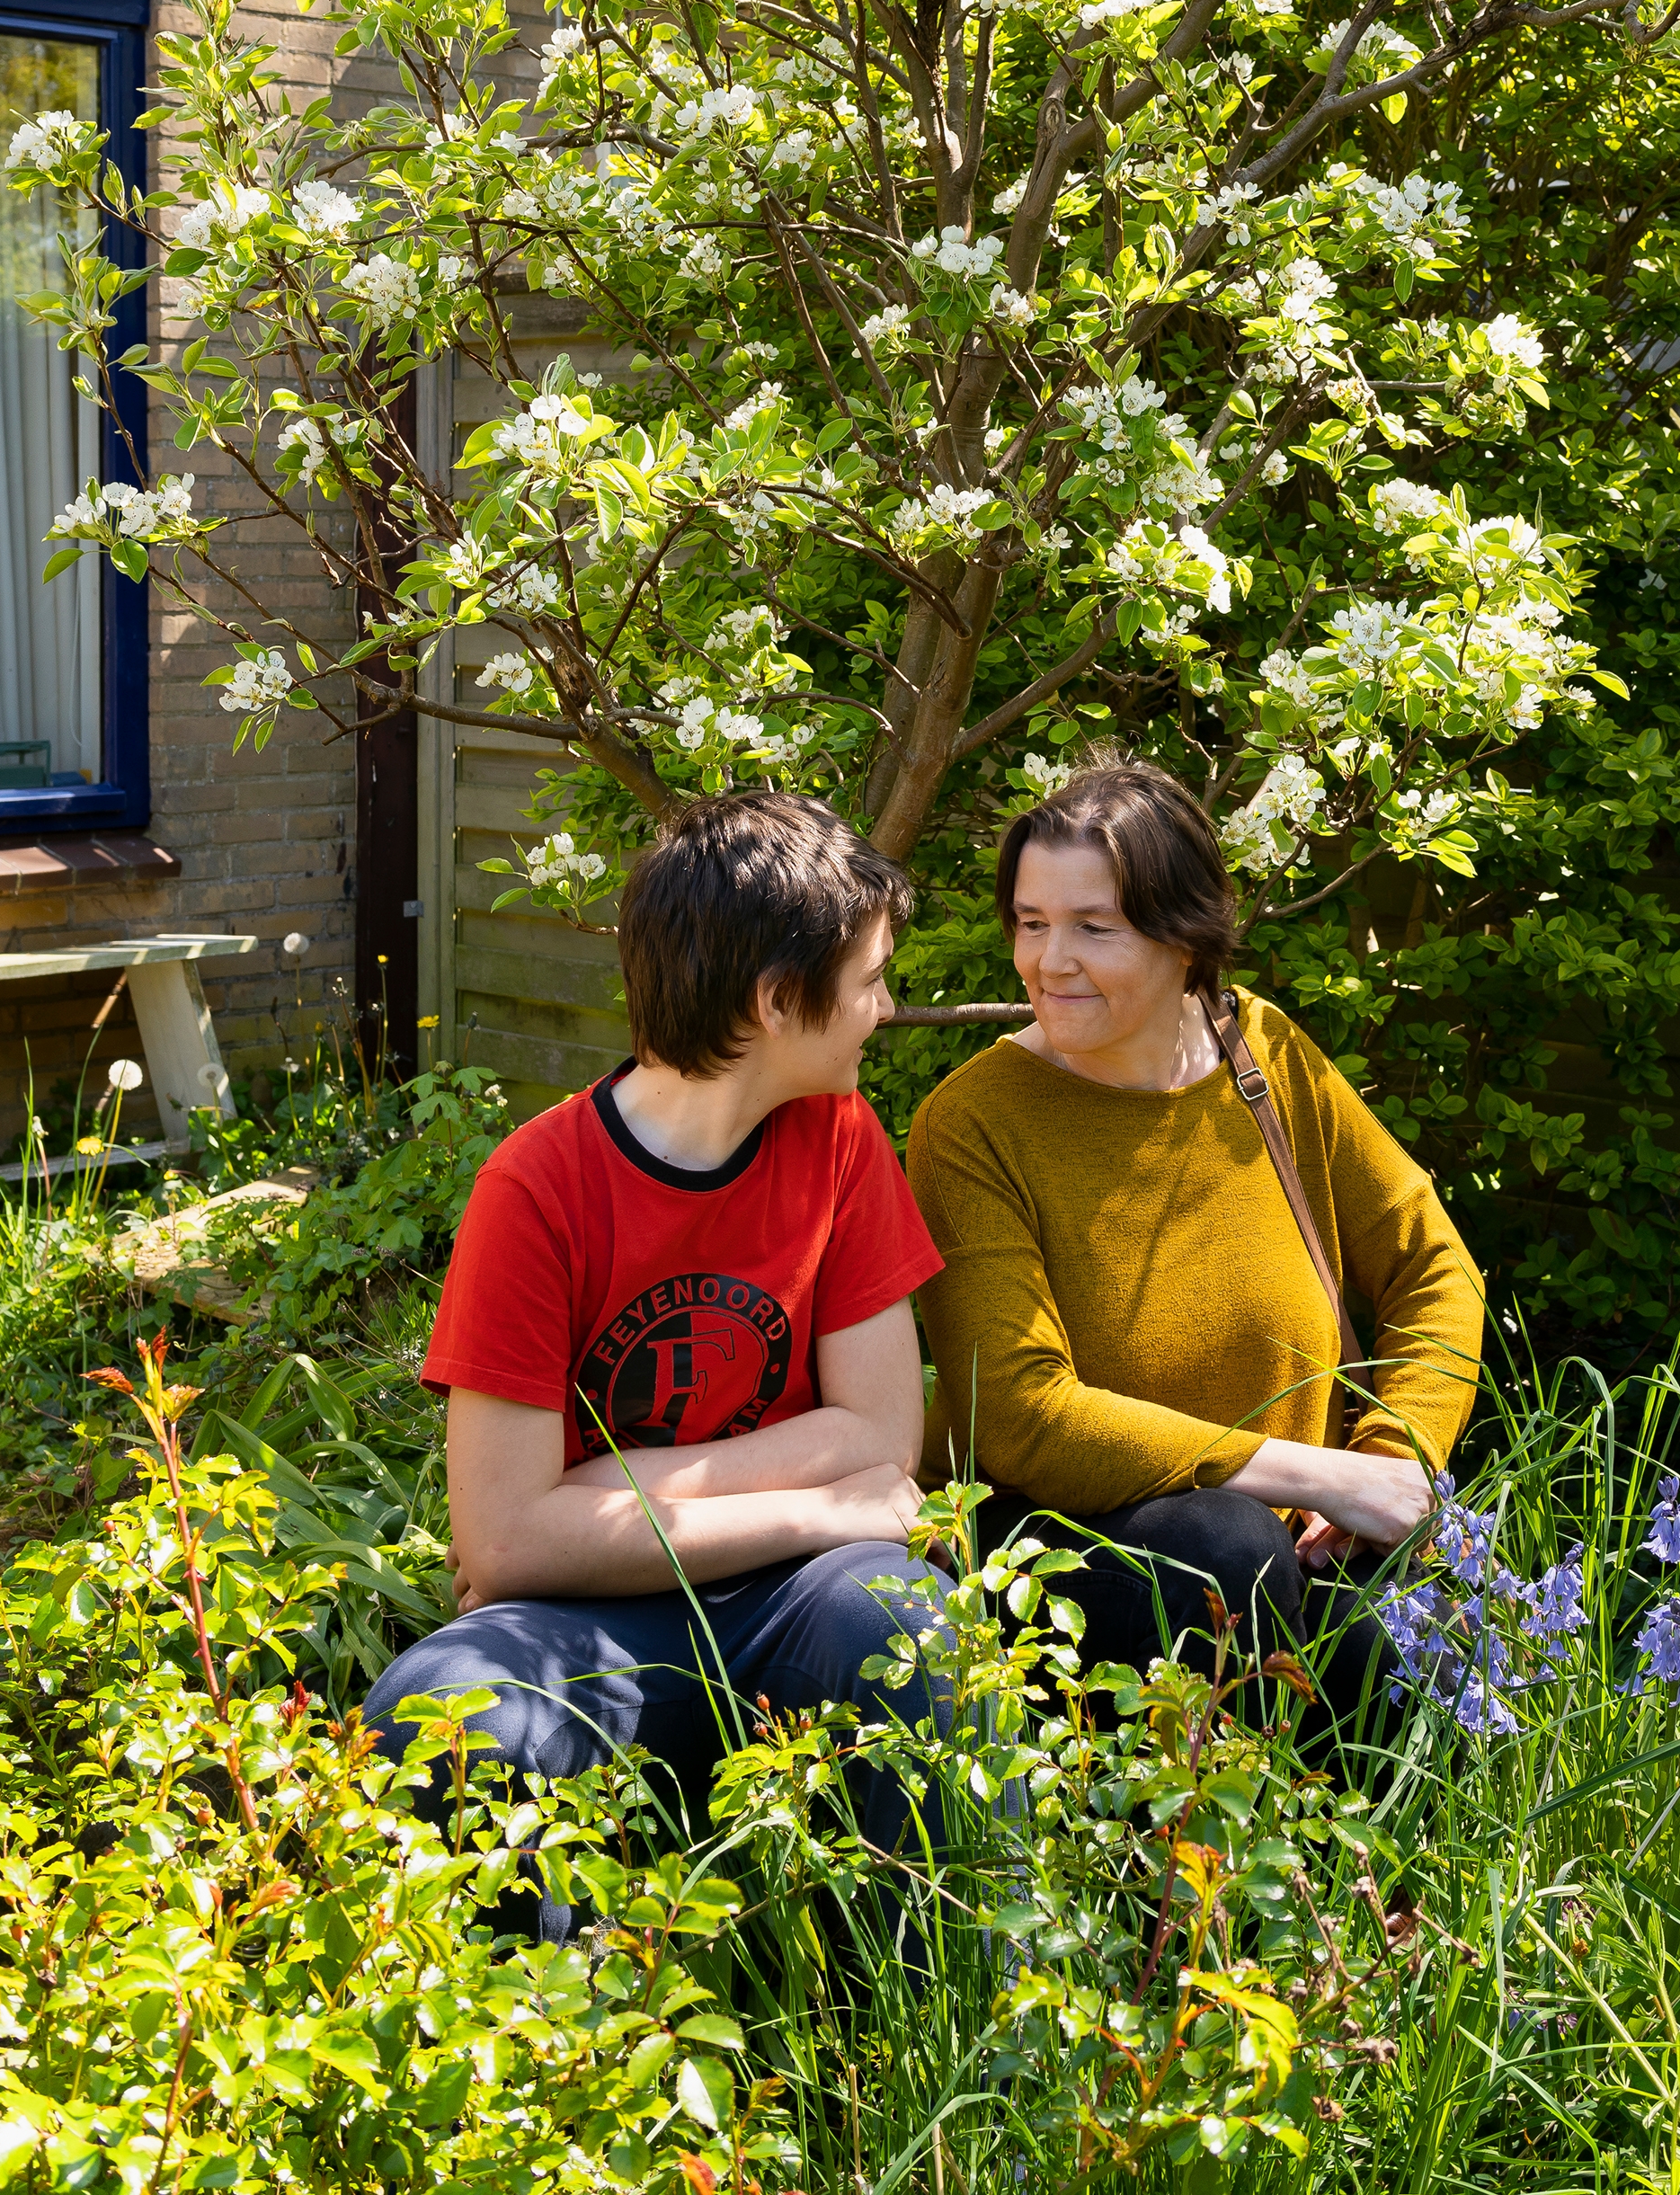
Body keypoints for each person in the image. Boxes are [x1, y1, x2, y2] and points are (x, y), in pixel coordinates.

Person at [366, 790, 949, 1855]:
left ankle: (945, 2001)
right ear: (778, 1000)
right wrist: (820, 1510)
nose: (886, 1008)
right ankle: (555, 2023)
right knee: (438, 1717)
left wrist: (600, 1494)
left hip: (804, 1601)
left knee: (901, 1621)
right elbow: (503, 1547)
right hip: (599, 1620)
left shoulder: (840, 1140)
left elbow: (881, 1439)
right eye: (869, 981)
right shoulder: (536, 1190)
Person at [906, 761, 1484, 1728]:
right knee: (1221, 1546)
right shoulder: (972, 1123)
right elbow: (1020, 1413)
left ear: (1185, 937)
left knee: (1405, 1648)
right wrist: (1318, 1473)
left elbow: (1436, 1268)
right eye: (1031, 922)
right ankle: (1179, 1875)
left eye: (1094, 928)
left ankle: (1370, 1883)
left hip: (1293, 1542)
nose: (1048, 962)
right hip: (1057, 1552)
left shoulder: (1261, 1054)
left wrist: (1391, 1460)